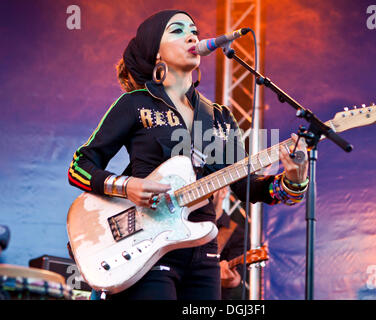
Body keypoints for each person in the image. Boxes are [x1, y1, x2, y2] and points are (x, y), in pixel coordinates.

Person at [67, 9, 309, 300]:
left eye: (193, 29)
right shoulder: (136, 104)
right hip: (146, 248)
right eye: (177, 30)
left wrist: (293, 180)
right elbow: (80, 166)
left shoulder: (220, 117)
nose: (192, 35)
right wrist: (127, 186)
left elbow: (248, 188)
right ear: (156, 53)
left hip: (203, 252)